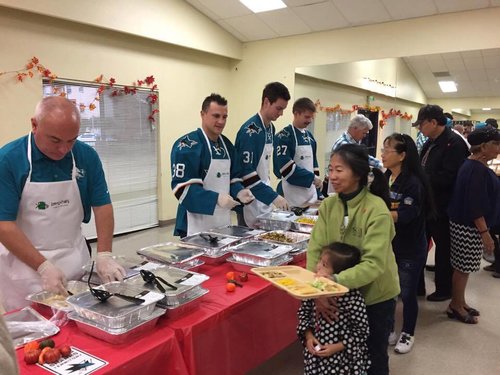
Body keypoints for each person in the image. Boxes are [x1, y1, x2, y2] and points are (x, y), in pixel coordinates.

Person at [0, 96, 125, 312]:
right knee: (38, 339)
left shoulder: (86, 156)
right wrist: (43, 266)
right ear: (34, 125)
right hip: (24, 268)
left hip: (74, 260)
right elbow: (4, 224)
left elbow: (102, 206)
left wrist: (104, 255)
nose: (64, 150)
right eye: (55, 140)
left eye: (72, 140)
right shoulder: (9, 160)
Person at [307, 144, 400, 375]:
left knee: (372, 354)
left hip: (374, 296)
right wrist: (317, 291)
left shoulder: (376, 209)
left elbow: (374, 264)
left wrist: (330, 283)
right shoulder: (329, 205)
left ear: (357, 174)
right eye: (330, 169)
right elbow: (315, 250)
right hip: (337, 294)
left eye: (339, 170)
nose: (332, 176)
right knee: (341, 354)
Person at [170, 93, 254, 237]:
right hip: (195, 223)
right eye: (216, 116)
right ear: (203, 114)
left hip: (222, 221)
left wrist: (239, 191)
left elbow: (233, 178)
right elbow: (182, 189)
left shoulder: (227, 146)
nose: (221, 121)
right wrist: (216, 199)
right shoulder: (187, 146)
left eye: (224, 117)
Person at [381, 133, 435, 354]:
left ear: (402, 155)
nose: (382, 154)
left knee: (407, 292)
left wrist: (376, 214)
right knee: (390, 291)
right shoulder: (386, 177)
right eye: (383, 149)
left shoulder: (413, 183)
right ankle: (390, 328)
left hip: (410, 248)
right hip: (390, 245)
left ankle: (408, 332)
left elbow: (406, 214)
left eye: (387, 150)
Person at [413, 104, 469, 302]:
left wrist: (421, 178)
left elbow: (449, 177)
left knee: (443, 249)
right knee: (419, 245)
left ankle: (444, 289)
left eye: (421, 124)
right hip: (425, 203)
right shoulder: (431, 142)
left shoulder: (454, 143)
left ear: (433, 122)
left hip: (442, 206)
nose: (420, 128)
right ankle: (416, 286)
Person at [446, 128, 500, 323]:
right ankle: (455, 306)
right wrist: (485, 233)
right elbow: (475, 206)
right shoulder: (476, 170)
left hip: (466, 225)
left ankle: (460, 301)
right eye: (496, 143)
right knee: (462, 268)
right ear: (484, 146)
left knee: (464, 267)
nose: (499, 147)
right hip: (468, 227)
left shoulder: (474, 165)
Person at [298, 242, 369, 375]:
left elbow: (361, 332)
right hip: (316, 358)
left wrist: (337, 347)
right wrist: (308, 336)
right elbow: (303, 313)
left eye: (324, 265)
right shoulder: (312, 291)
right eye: (319, 260)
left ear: (338, 275)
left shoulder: (352, 298)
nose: (317, 266)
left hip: (344, 360)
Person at [234, 82, 291, 227]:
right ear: (266, 102)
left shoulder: (270, 128)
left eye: (283, 109)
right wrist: (273, 197)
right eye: (278, 108)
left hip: (263, 195)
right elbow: (245, 173)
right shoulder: (250, 132)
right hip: (250, 199)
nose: (281, 113)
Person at [273, 97, 322, 208]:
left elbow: (314, 164)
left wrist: (317, 187)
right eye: (307, 117)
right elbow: (286, 169)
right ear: (296, 113)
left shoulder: (310, 137)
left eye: (311, 117)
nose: (310, 120)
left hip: (310, 196)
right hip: (291, 195)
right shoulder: (283, 137)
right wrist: (312, 178)